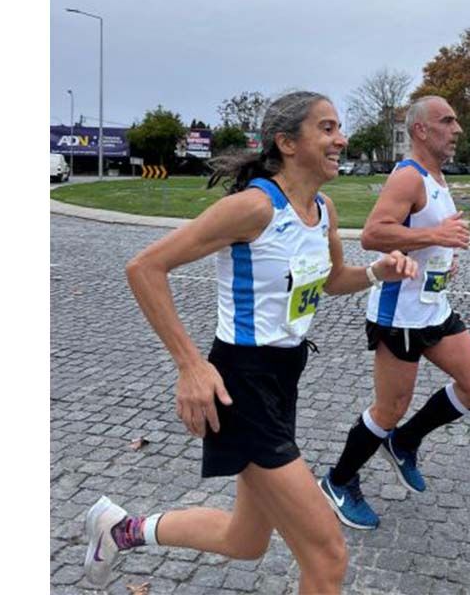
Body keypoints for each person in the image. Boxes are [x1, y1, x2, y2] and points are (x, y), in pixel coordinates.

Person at [82, 91, 418, 594]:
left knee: (245, 539)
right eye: (326, 129)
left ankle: (121, 530)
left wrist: (377, 270)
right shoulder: (255, 207)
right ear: (286, 142)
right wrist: (190, 366)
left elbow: (329, 280)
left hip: (285, 379)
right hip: (241, 383)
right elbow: (145, 267)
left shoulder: (321, 208)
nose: (341, 139)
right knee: (327, 556)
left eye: (338, 128)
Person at [318, 95, 470, 530]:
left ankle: (405, 443)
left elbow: (416, 235)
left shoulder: (436, 177)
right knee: (389, 407)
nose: (457, 129)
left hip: (433, 307)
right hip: (399, 314)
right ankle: (338, 481)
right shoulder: (408, 176)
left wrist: (441, 253)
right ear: (421, 130)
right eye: (447, 121)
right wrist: (437, 234)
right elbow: (374, 234)